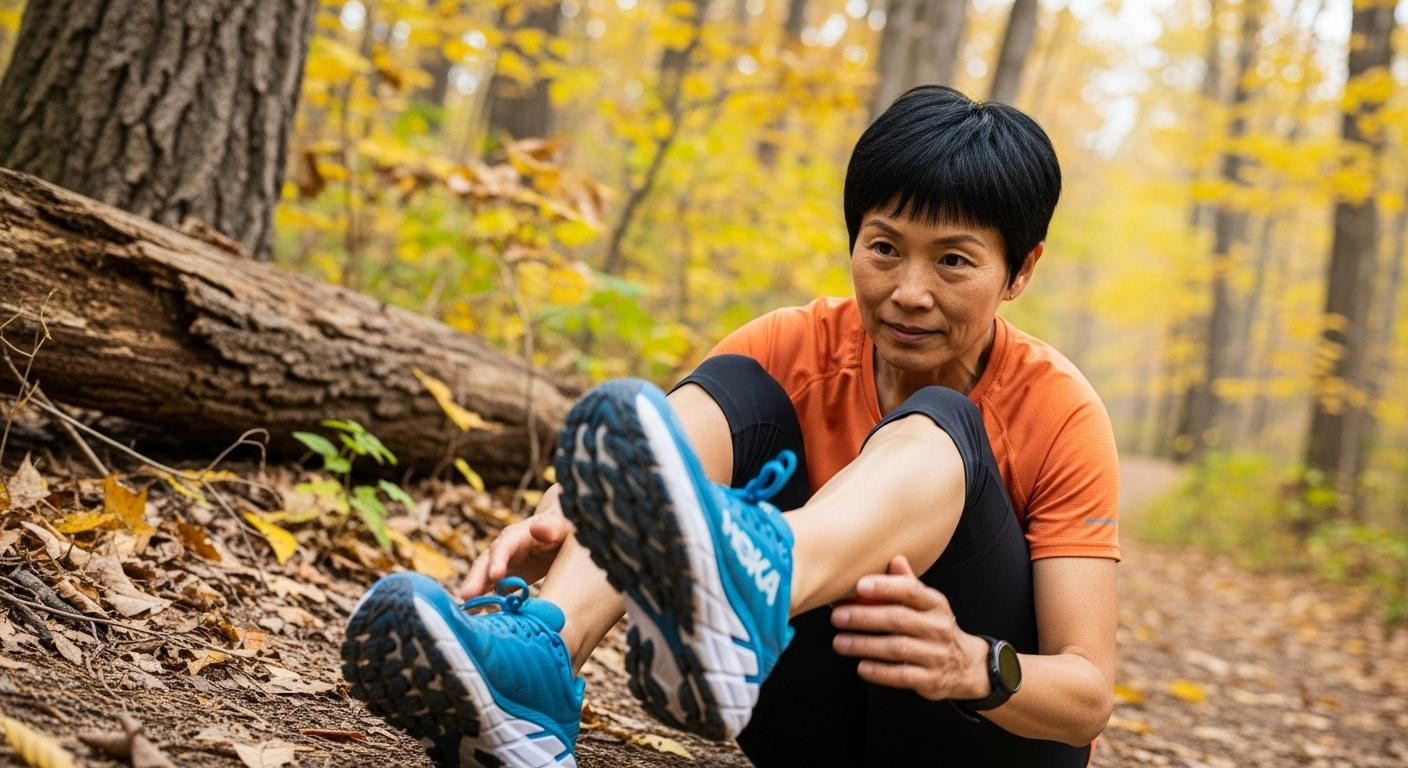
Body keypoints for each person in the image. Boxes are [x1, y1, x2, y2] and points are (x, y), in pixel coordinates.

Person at [341, 85, 1119, 768]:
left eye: (953, 261)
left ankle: (760, 581)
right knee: (731, 392)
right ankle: (536, 666)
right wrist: (574, 512)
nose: (909, 291)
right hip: (809, 726)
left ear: (1019, 271)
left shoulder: (1059, 410)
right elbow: (653, 465)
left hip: (975, 741)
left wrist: (975, 665)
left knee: (944, 419)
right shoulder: (792, 347)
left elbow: (1087, 697)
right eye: (884, 248)